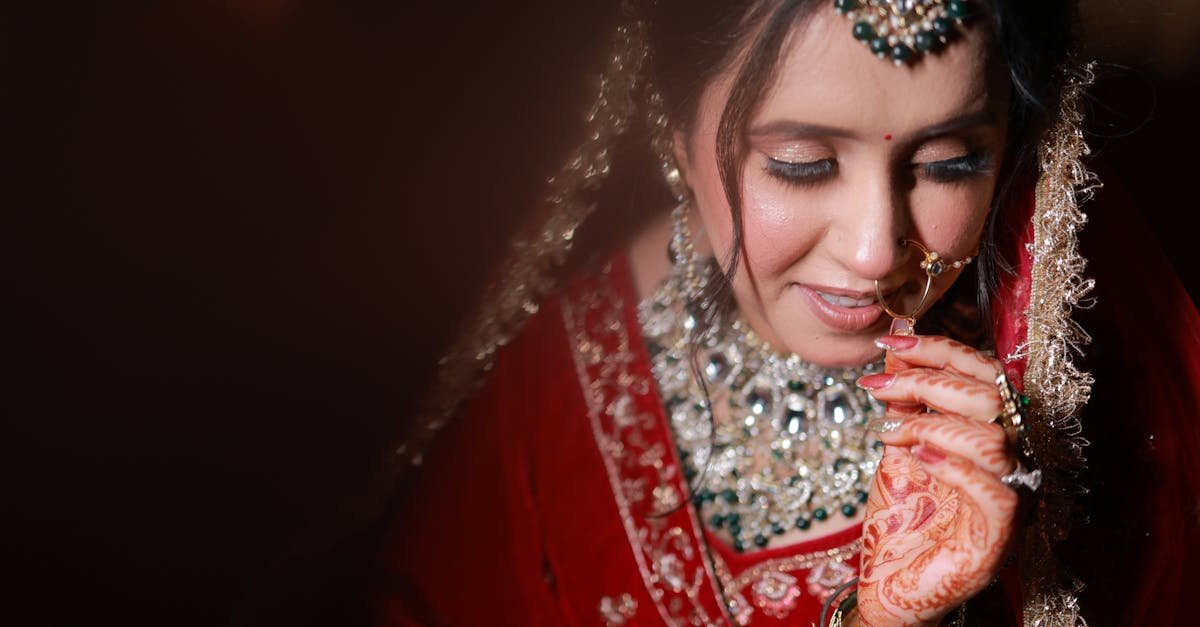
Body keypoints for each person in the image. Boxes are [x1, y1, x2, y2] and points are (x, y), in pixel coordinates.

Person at [381, 0, 1200, 625]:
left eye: (949, 162)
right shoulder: (548, 400)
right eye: (802, 166)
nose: (877, 249)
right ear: (673, 133)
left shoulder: (1104, 398)